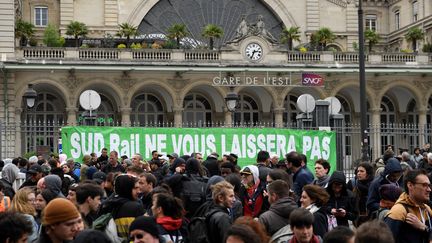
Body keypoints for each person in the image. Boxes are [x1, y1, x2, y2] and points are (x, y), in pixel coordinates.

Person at [385, 169, 432, 243]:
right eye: (424, 185)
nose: (429, 189)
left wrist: (424, 227)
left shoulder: (427, 209)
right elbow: (386, 240)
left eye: (429, 185)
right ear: (410, 185)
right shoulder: (398, 211)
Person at [98, 174, 144, 240]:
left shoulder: (105, 205)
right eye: (135, 188)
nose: (139, 191)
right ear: (126, 188)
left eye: (138, 188)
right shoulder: (135, 207)